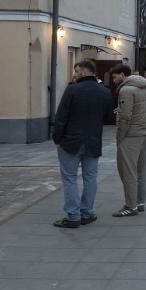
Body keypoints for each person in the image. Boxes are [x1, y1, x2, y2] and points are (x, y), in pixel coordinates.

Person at [52, 59, 113, 227]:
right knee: (90, 178)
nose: (75, 74)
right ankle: (86, 213)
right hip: (93, 141)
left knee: (70, 178)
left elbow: (61, 117)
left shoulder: (72, 89)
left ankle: (73, 216)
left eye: (77, 71)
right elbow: (108, 118)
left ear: (84, 72)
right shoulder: (105, 92)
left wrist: (57, 138)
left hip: (70, 142)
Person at [110, 63, 146, 217]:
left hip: (130, 135)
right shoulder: (145, 87)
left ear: (122, 75)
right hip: (143, 132)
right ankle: (139, 203)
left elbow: (126, 117)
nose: (113, 80)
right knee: (140, 171)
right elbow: (139, 110)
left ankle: (130, 206)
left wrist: (120, 136)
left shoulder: (126, 90)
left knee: (128, 172)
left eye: (115, 77)